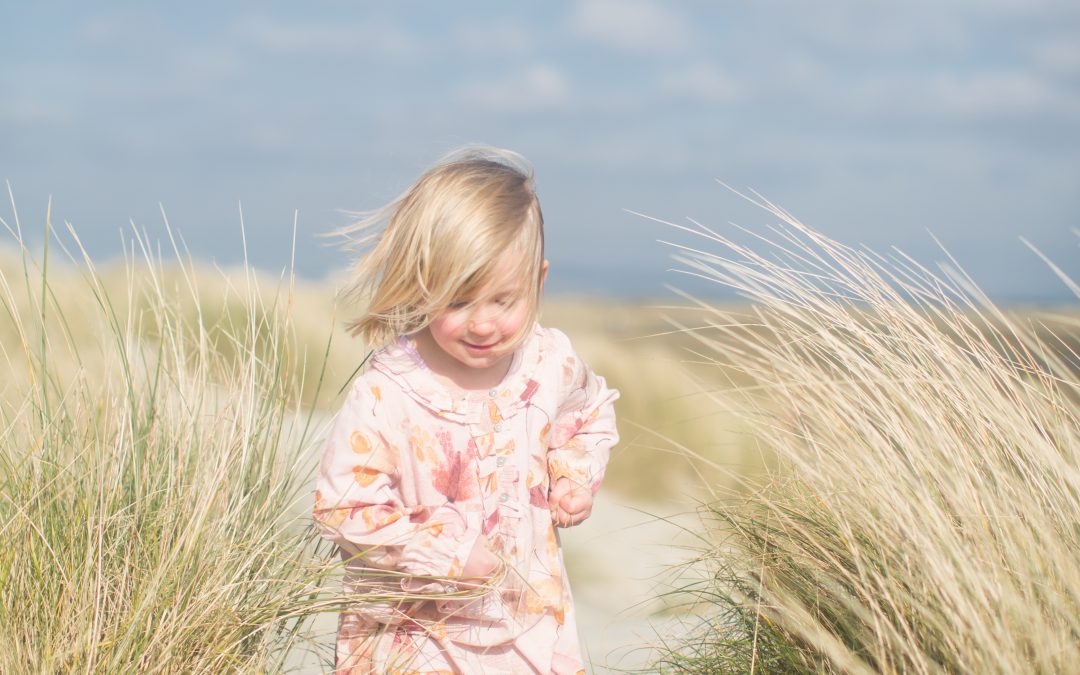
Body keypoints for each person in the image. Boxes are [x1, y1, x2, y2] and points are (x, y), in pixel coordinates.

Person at [314, 146, 619, 674]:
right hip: (415, 639)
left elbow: (588, 414)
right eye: (457, 301)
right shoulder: (389, 394)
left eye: (505, 300)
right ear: (419, 283)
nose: (483, 324)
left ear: (538, 282)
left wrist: (572, 473)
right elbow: (344, 509)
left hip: (530, 628)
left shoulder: (547, 365)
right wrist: (446, 552)